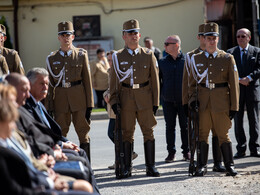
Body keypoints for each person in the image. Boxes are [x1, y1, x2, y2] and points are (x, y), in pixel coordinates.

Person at [0, 85, 95, 195]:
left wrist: (46, 166)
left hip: (41, 174)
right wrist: (50, 183)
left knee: (82, 170)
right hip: (39, 183)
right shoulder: (4, 148)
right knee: (83, 183)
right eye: (11, 104)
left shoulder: (12, 133)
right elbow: (15, 186)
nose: (15, 109)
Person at [109, 19, 160, 178]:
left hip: (145, 97)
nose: (133, 36)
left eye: (136, 33)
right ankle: (126, 167)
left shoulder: (148, 54)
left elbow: (155, 80)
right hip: (126, 99)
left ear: (139, 35)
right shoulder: (117, 56)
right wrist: (114, 102)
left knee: (148, 132)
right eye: (130, 33)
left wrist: (155, 102)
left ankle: (150, 167)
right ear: (124, 36)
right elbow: (114, 82)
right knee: (126, 133)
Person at [188, 22, 239, 176]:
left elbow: (234, 85)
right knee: (202, 134)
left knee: (223, 134)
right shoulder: (196, 59)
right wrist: (192, 100)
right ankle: (202, 166)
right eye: (208, 38)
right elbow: (192, 84)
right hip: (203, 103)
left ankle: (229, 165)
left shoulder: (227, 58)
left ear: (218, 39)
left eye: (213, 38)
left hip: (221, 102)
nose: (211, 41)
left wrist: (234, 107)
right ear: (203, 39)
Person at [46, 21, 94, 161]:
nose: (66, 37)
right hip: (60, 100)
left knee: (83, 133)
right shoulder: (52, 58)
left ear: (73, 37)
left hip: (79, 99)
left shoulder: (81, 54)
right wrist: (48, 106)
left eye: (69, 35)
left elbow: (87, 81)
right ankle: (63, 165)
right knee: (60, 133)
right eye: (63, 35)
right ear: (58, 38)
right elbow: (49, 85)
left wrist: (89, 105)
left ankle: (86, 164)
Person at [182, 23, 226, 172]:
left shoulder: (221, 55)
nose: (204, 39)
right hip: (199, 100)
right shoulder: (191, 56)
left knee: (217, 131)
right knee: (200, 132)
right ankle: (201, 163)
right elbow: (187, 82)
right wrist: (186, 101)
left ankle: (218, 162)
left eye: (209, 36)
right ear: (200, 37)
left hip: (217, 100)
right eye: (203, 36)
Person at [227, 28, 260, 158]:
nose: (240, 38)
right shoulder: (231, 53)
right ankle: (241, 149)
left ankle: (255, 148)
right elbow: (229, 70)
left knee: (254, 120)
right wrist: (239, 80)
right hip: (237, 91)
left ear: (249, 38)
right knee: (238, 120)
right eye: (238, 36)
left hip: (252, 90)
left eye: (243, 36)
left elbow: (259, 68)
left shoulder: (257, 52)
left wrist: (249, 78)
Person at [103, 50, 138, 169]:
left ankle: (127, 157)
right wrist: (106, 94)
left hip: (122, 106)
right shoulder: (109, 71)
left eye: (112, 60)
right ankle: (122, 159)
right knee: (116, 135)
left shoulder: (121, 70)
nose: (110, 63)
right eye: (108, 60)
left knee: (119, 134)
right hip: (113, 107)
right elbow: (109, 88)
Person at [158, 35, 190, 163]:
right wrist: (161, 97)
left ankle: (186, 151)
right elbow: (158, 82)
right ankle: (171, 152)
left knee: (185, 127)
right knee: (169, 127)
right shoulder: (162, 62)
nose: (164, 46)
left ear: (176, 45)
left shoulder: (188, 60)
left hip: (184, 101)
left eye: (167, 44)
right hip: (168, 101)